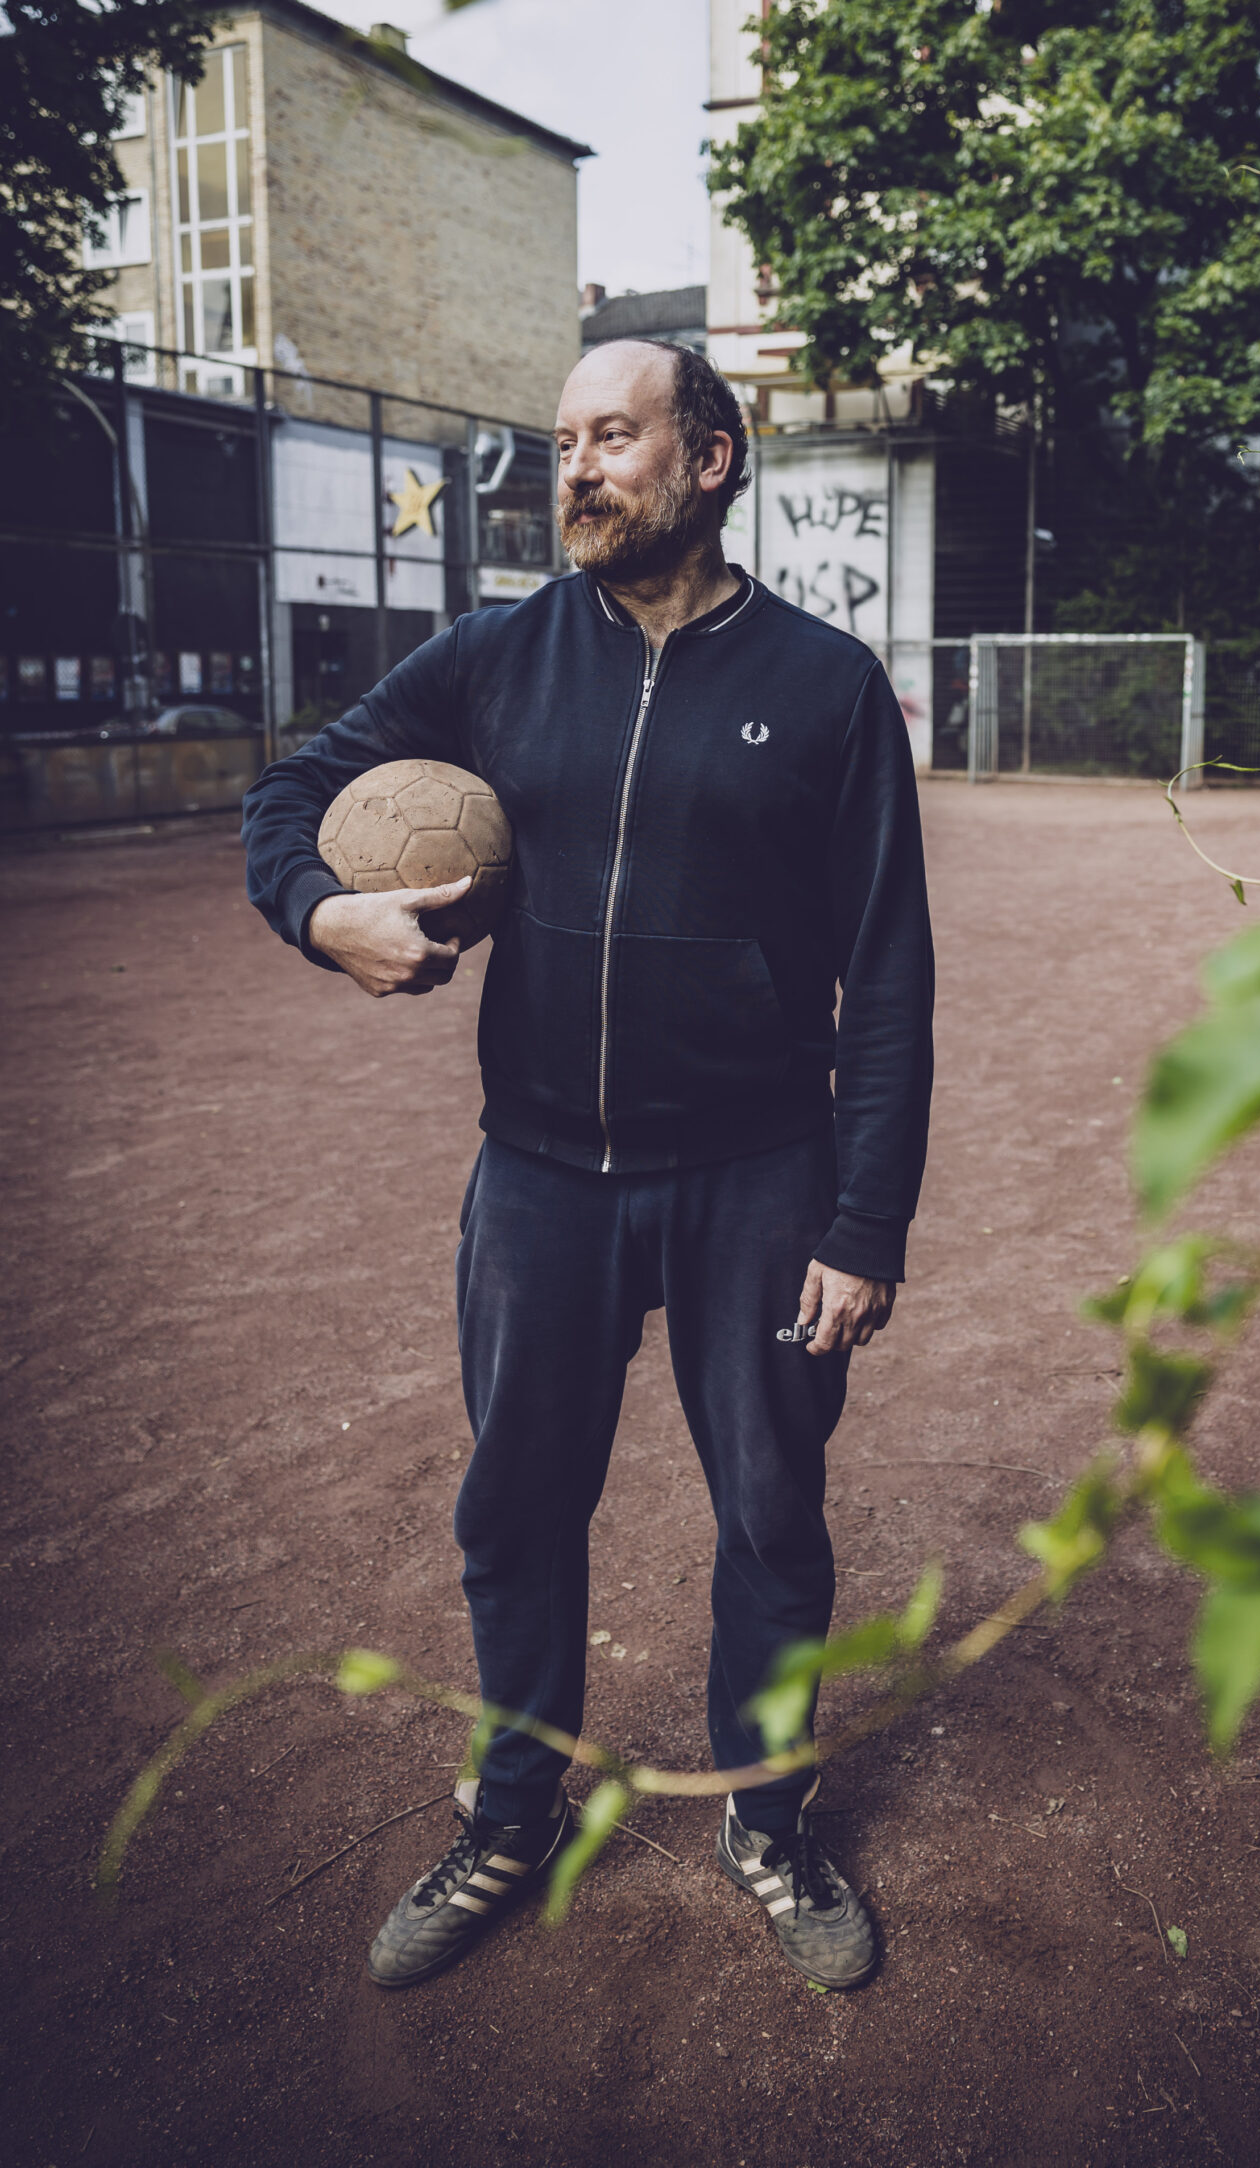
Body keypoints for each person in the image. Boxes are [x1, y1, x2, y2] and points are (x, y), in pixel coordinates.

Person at [241, 339, 934, 1994]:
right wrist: (322, 912)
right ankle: (509, 1812)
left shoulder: (828, 687)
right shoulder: (492, 658)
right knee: (515, 1509)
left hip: (758, 1179)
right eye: (559, 441)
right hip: (539, 1179)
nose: (574, 469)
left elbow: (888, 974)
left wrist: (864, 1219)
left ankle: (768, 1820)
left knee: (772, 1514)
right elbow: (290, 793)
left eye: (610, 437)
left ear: (706, 457)